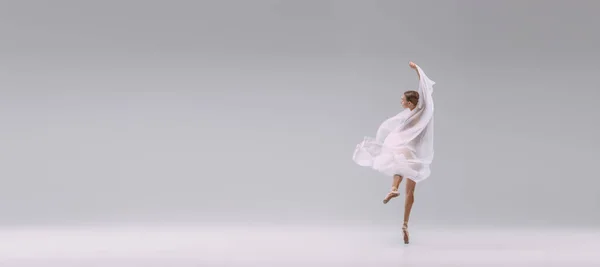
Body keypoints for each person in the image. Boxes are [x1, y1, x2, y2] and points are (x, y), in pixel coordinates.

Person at [352, 61, 436, 244]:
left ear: (410, 102)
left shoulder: (420, 113)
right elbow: (425, 97)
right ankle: (405, 225)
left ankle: (393, 188)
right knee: (411, 193)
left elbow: (426, 94)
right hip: (417, 156)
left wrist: (418, 70)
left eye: (403, 100)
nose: (400, 101)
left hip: (408, 151)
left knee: (398, 163)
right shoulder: (415, 114)